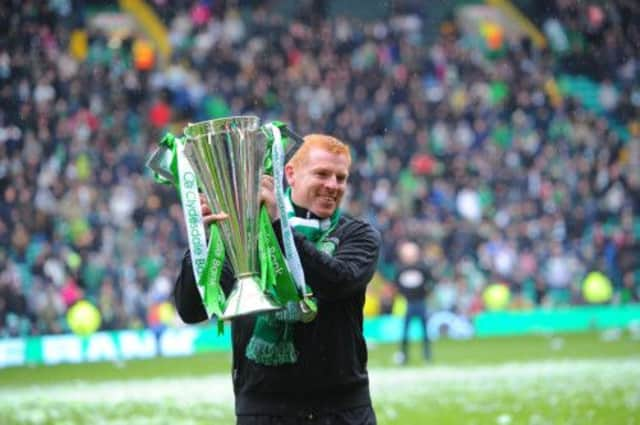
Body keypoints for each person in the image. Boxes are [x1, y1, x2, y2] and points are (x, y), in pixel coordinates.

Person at [174, 134, 381, 424]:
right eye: (322, 174)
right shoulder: (242, 234)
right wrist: (203, 243)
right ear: (291, 174)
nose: (333, 185)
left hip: (341, 410)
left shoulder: (357, 234)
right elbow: (192, 310)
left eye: (341, 177)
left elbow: (336, 281)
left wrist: (277, 225)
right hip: (264, 410)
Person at [393, 240, 434, 365]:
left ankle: (427, 355)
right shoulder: (401, 268)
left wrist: (426, 292)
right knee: (405, 332)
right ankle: (404, 355)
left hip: (420, 302)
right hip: (408, 303)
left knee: (425, 331)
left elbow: (431, 282)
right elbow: (397, 285)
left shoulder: (422, 267)